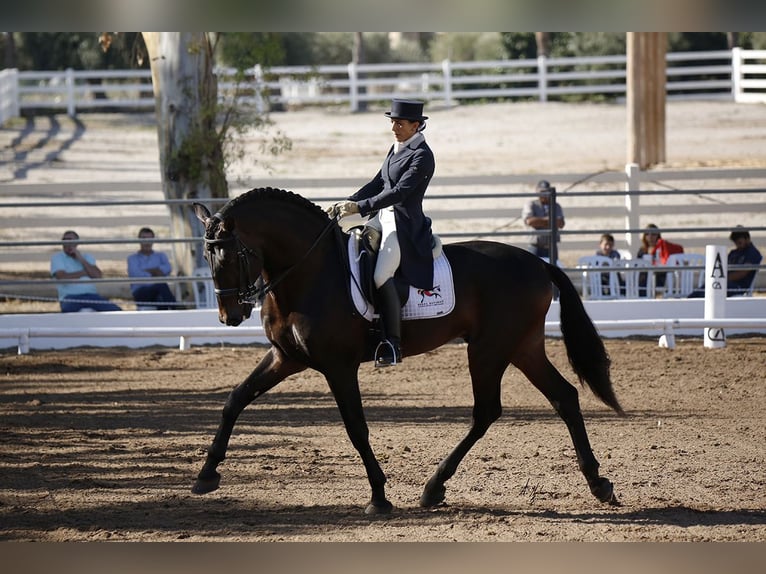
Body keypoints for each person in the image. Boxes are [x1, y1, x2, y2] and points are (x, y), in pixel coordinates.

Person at [326, 99, 436, 367]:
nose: (394, 128)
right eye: (392, 122)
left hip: (403, 225)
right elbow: (378, 183)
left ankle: (392, 343)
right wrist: (347, 203)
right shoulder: (397, 148)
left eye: (399, 123)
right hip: (380, 220)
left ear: (416, 125)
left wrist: (359, 207)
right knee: (351, 252)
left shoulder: (422, 156)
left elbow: (398, 193)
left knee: (380, 275)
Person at [50, 230, 122, 312]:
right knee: (68, 313)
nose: (67, 242)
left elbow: (97, 276)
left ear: (77, 243)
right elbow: (62, 277)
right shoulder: (58, 257)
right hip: (70, 297)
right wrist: (85, 272)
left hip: (91, 296)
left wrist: (80, 258)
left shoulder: (87, 257)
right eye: (65, 240)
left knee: (115, 310)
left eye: (70, 240)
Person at [689, 226, 762, 298]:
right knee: (706, 287)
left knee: (712, 290)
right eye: (736, 243)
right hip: (725, 282)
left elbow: (742, 272)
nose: (738, 246)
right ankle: (689, 300)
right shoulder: (734, 253)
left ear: (747, 238)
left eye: (739, 243)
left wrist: (723, 278)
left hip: (739, 286)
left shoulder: (752, 253)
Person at [126, 227, 178, 310]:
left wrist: (147, 272)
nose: (147, 242)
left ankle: (167, 317)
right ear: (139, 240)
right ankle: (176, 308)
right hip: (141, 292)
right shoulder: (132, 258)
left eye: (149, 239)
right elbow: (136, 275)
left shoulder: (161, 255)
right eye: (144, 238)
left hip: (159, 292)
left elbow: (168, 269)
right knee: (161, 285)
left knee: (160, 299)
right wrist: (156, 271)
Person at [635, 223, 684, 296]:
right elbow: (637, 264)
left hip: (659, 274)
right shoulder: (642, 250)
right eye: (647, 234)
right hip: (645, 275)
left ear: (658, 235)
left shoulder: (662, 248)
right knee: (642, 278)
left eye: (653, 234)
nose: (650, 236)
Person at [522, 179, 565, 260]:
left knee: (553, 269)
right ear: (537, 191)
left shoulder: (556, 205)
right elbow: (530, 221)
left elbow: (561, 223)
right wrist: (550, 221)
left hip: (551, 246)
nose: (544, 195)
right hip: (535, 246)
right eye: (542, 192)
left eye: (546, 192)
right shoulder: (531, 204)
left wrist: (540, 222)